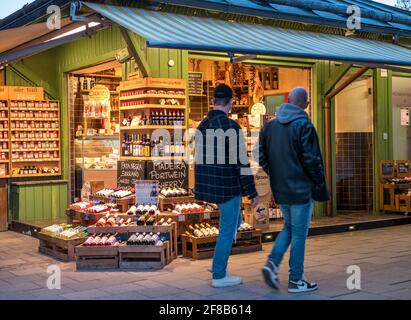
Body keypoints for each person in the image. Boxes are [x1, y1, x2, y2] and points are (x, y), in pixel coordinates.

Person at [257, 87, 329, 293]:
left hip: (281, 189)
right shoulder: (304, 125)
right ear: (305, 104)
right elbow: (312, 160)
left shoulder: (269, 127)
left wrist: (274, 174)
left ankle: (272, 263)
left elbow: (261, 156)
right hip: (301, 189)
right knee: (299, 234)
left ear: (288, 100)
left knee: (289, 227)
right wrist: (318, 184)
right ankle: (296, 280)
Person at [194, 83, 259, 288]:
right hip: (228, 186)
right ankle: (219, 274)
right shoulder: (232, 127)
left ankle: (217, 265)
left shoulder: (202, 125)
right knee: (227, 229)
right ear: (231, 103)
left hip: (209, 184)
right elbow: (241, 163)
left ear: (213, 102)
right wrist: (252, 191)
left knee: (234, 221)